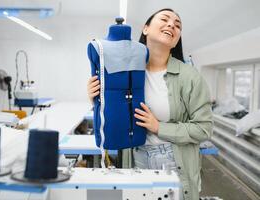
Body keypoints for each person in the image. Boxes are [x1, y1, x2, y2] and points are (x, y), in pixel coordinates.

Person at [87, 8, 213, 200]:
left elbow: (204, 129)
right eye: (165, 19)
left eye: (177, 25)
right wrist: (96, 100)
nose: (172, 24)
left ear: (177, 38)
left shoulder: (190, 77)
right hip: (134, 158)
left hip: (174, 161)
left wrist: (159, 127)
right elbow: (115, 116)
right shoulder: (125, 73)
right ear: (145, 29)